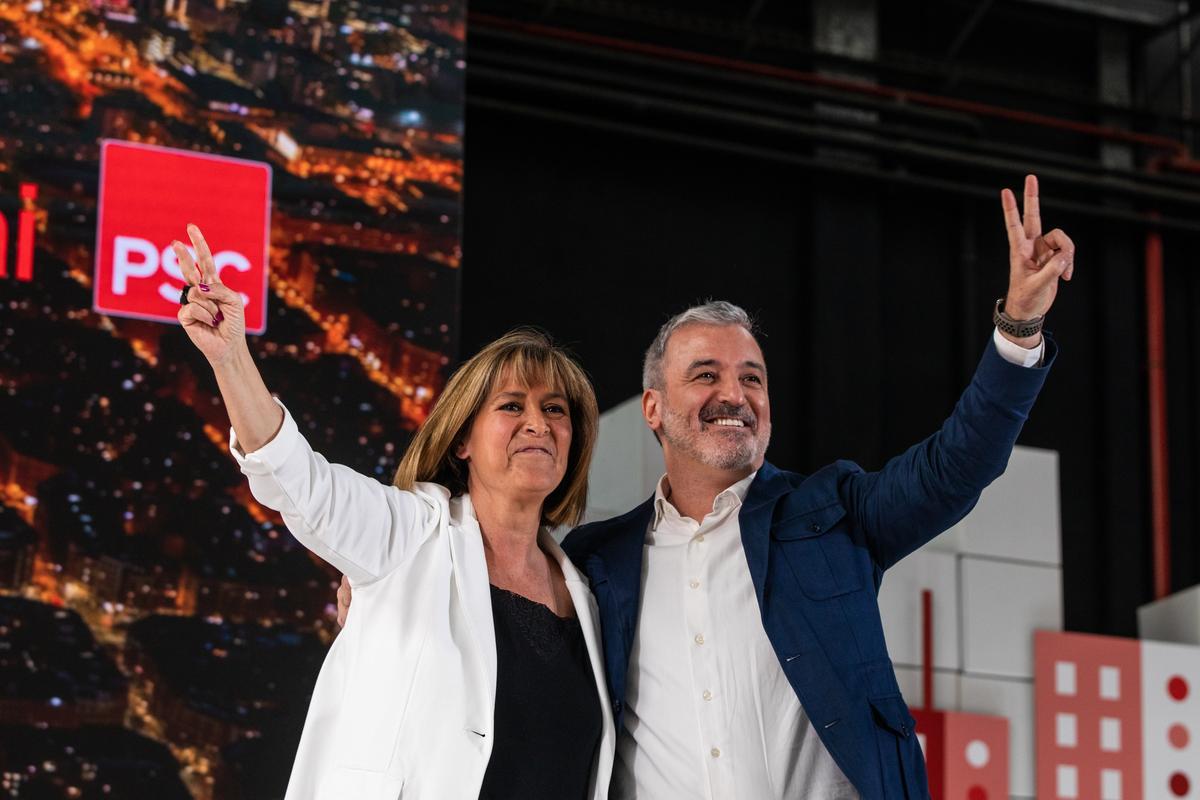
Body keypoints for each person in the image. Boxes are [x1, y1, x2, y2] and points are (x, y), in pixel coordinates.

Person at [338, 174, 1072, 798]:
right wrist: (391, 600)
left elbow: (955, 467)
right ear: (653, 409)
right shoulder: (594, 565)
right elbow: (493, 625)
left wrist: (1019, 329)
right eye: (707, 376)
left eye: (752, 378)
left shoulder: (834, 517)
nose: (735, 394)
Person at [172, 225, 615, 800]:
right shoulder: (408, 535)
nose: (539, 423)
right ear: (462, 440)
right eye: (512, 406)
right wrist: (231, 357)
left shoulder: (587, 594)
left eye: (555, 409)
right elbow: (300, 482)